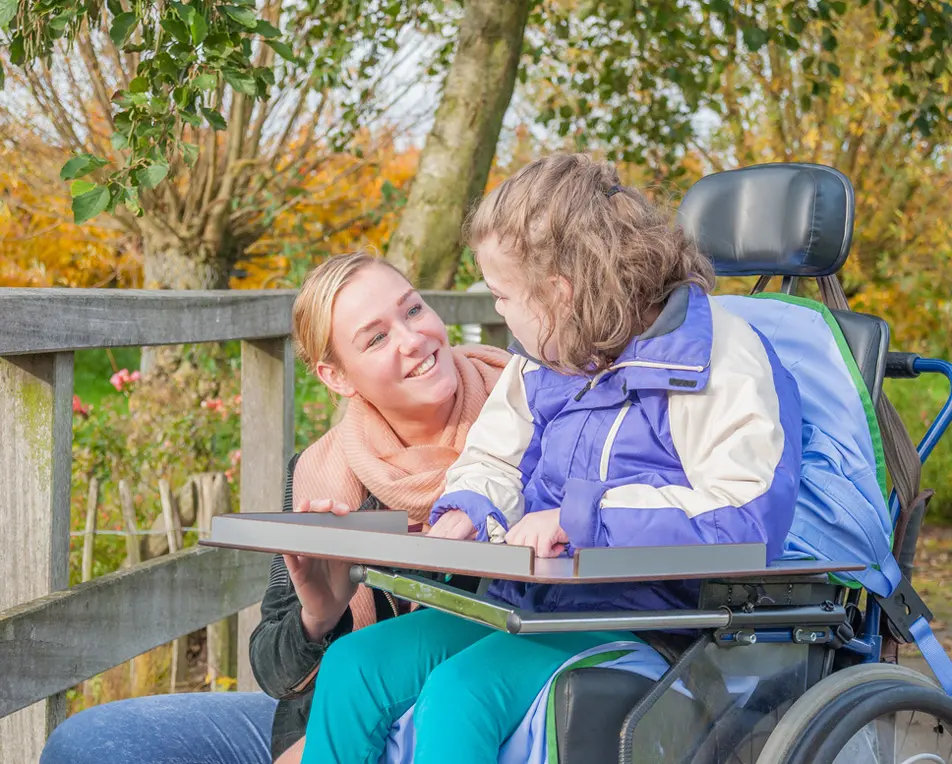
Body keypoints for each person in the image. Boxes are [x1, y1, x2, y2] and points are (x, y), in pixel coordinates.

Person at [295, 153, 804, 764]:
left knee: (461, 695)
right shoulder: (546, 359)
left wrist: (578, 518)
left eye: (502, 295)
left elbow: (745, 514)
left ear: (558, 294)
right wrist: (468, 509)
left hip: (658, 622)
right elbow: (494, 459)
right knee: (356, 664)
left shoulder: (719, 358)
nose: (498, 313)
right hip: (536, 606)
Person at [38, 252, 510, 764]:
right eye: (376, 338)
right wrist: (319, 616)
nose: (413, 338)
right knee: (87, 743)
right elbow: (274, 670)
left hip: (471, 713)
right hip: (334, 717)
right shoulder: (321, 471)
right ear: (337, 377)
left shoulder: (530, 422)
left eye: (413, 309)